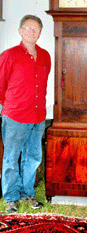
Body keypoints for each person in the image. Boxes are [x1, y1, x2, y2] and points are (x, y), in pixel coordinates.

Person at [0, 15, 51, 213]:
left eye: (36, 29)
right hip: (15, 117)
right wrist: (10, 105)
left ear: (40, 33)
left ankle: (27, 192)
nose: (32, 32)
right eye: (28, 28)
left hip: (38, 117)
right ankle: (11, 197)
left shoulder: (45, 56)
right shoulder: (9, 55)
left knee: (33, 157)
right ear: (20, 31)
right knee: (11, 159)